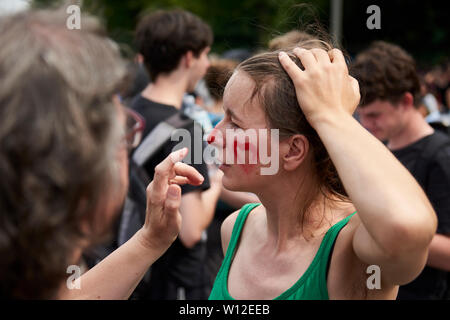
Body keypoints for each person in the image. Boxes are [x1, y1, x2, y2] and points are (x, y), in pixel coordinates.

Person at [207, 40, 437, 300]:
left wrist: (331, 115)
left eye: (235, 124)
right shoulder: (237, 228)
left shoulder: (350, 248)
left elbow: (407, 229)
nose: (212, 136)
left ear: (293, 150)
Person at [0, 8, 204, 299]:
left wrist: (149, 239)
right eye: (124, 137)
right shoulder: (189, 129)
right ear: (85, 185)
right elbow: (194, 228)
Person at [132, 9, 221, 299]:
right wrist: (217, 182)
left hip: (130, 272)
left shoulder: (123, 116)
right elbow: (191, 229)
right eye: (205, 54)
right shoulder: (186, 129)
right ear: (188, 57)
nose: (207, 64)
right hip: (174, 281)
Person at [351, 41, 450, 299]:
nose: (366, 123)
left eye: (375, 115)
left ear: (406, 101)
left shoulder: (440, 156)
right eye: (360, 115)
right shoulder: (378, 146)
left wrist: (384, 229)